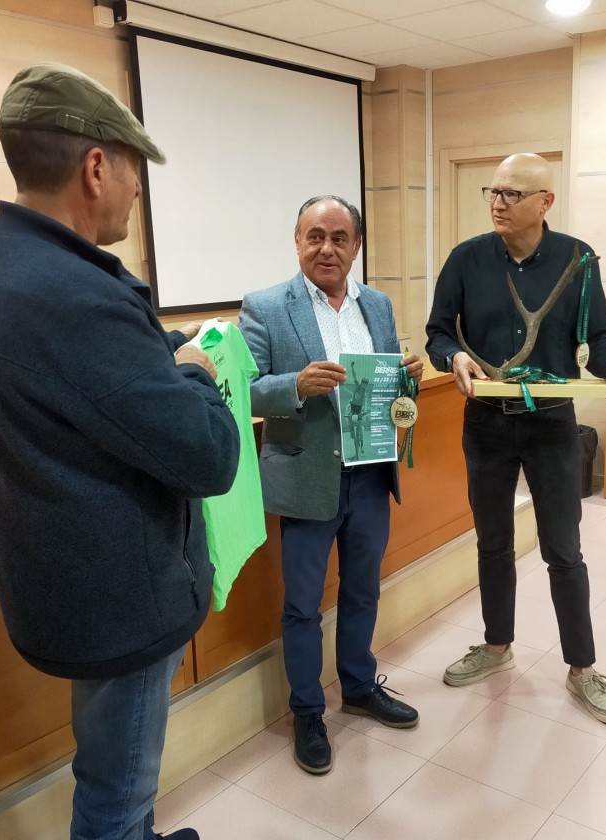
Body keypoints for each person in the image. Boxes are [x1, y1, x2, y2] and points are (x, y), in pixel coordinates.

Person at [0, 63, 240, 840]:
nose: (138, 191)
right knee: (116, 792)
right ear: (97, 166)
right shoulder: (78, 297)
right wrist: (198, 374)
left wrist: (158, 355)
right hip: (122, 601)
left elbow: (86, 388)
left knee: (107, 756)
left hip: (59, 583)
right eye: (135, 170)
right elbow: (209, 457)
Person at [425, 153, 606, 725]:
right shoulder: (466, 260)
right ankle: (497, 647)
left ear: (545, 202)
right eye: (493, 192)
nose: (497, 202)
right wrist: (453, 360)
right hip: (486, 423)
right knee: (492, 541)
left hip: (550, 423)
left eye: (511, 194)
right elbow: (438, 332)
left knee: (563, 549)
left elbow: (600, 336)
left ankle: (582, 668)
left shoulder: (577, 259)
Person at [238, 195, 423, 775]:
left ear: (356, 247)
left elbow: (388, 393)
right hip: (308, 477)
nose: (327, 247)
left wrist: (407, 380)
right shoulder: (266, 306)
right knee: (302, 605)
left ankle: (360, 687)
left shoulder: (379, 304)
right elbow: (246, 390)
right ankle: (307, 712)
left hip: (370, 474)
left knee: (364, 590)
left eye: (340, 238)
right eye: (315, 235)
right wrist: (296, 383)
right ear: (297, 242)